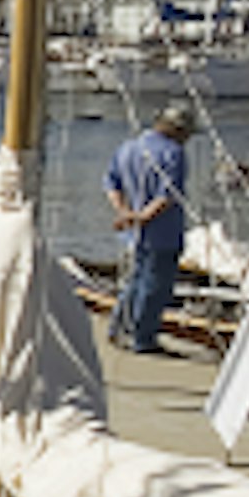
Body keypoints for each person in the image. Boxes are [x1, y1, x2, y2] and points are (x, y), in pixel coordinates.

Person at [105, 101, 197, 351]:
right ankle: (142, 338)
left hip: (131, 235)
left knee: (134, 281)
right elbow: (167, 196)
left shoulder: (128, 148)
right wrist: (142, 217)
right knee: (154, 287)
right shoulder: (173, 153)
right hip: (162, 233)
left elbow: (112, 184)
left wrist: (124, 212)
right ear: (177, 130)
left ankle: (118, 327)